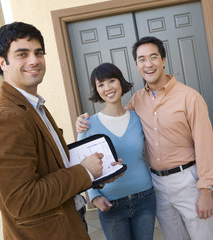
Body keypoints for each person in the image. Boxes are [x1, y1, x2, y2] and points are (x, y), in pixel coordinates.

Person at [76, 36, 213, 240]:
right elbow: (116, 119)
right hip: (155, 184)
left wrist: (205, 189)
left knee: (204, 236)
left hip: (187, 178)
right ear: (137, 65)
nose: (148, 64)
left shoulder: (189, 97)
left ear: (163, 60)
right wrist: (82, 122)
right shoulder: (137, 100)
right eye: (142, 59)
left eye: (153, 57)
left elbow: (205, 145)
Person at [0, 22, 107, 240]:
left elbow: (51, 166)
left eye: (38, 53)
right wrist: (83, 172)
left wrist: (94, 173)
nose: (34, 60)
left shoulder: (33, 106)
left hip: (69, 221)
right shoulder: (6, 118)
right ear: (3, 63)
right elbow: (23, 200)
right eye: (22, 54)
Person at [78, 63, 156, 240]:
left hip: (145, 197)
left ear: (120, 82)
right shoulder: (87, 125)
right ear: (96, 90)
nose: (108, 88)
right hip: (110, 203)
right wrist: (94, 196)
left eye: (112, 81)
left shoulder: (139, 118)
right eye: (101, 84)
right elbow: (80, 166)